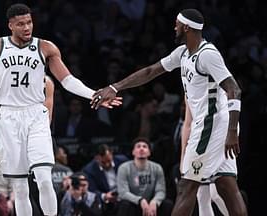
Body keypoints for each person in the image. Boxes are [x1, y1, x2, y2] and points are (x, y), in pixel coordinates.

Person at [0, 3, 121, 216]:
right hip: (8, 116)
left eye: (29, 22)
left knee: (44, 178)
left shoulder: (46, 47)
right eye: (21, 24)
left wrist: (94, 94)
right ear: (10, 26)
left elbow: (68, 80)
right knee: (20, 187)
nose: (27, 27)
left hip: (36, 114)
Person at [91, 8, 248, 216]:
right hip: (212, 126)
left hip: (212, 126)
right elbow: (151, 71)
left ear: (186, 28)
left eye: (177, 24)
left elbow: (234, 89)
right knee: (226, 185)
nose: (174, 28)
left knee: (187, 186)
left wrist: (231, 130)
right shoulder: (182, 53)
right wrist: (114, 87)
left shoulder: (207, 54)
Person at [181, 97, 228, 216]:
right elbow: (187, 124)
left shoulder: (218, 85)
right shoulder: (190, 91)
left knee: (215, 193)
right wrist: (183, 155)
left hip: (219, 139)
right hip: (199, 141)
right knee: (202, 195)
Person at [116, 137, 173, 216]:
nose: (141, 149)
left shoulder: (157, 168)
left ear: (149, 152)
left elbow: (161, 191)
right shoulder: (124, 168)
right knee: (125, 204)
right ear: (133, 152)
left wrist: (155, 202)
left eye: (144, 146)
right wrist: (140, 200)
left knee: (167, 204)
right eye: (138, 146)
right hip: (134, 203)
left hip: (151, 203)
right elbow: (123, 193)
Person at [82, 144, 128, 215]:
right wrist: (104, 196)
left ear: (111, 154)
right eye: (103, 162)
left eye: (109, 161)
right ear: (96, 159)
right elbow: (92, 190)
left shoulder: (122, 161)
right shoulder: (89, 170)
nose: (107, 165)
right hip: (106, 201)